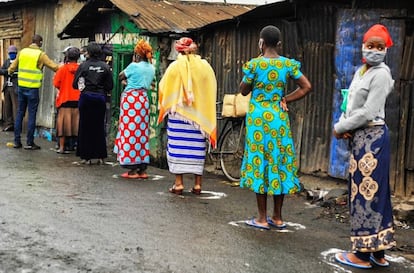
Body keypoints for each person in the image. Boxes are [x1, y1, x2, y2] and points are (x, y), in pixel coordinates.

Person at [333, 24, 396, 269]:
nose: (375, 50)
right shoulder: (362, 71)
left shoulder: (381, 73)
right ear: (363, 47)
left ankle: (361, 254)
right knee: (369, 192)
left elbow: (369, 111)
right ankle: (377, 252)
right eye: (371, 45)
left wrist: (340, 128)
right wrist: (345, 123)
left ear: (386, 49)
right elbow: (351, 103)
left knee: (367, 194)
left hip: (373, 139)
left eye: (380, 47)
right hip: (361, 138)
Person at [239, 25, 311, 230]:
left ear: (261, 42)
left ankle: (262, 218)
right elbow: (307, 87)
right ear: (279, 44)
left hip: (258, 121)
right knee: (278, 162)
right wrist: (285, 98)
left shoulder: (254, 65)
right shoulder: (287, 64)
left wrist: (252, 78)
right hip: (279, 119)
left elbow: (243, 91)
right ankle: (277, 217)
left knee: (259, 161)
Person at [158, 37, 217, 195]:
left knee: (178, 146)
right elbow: (211, 87)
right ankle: (198, 184)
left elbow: (164, 87)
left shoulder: (175, 67)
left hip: (179, 115)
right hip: (199, 117)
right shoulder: (205, 67)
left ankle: (178, 183)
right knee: (197, 147)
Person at [8, 34, 59, 150]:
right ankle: (29, 143)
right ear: (40, 42)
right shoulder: (40, 54)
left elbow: (11, 68)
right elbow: (54, 67)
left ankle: (17, 141)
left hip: (21, 87)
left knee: (20, 113)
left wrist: (11, 73)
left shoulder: (22, 52)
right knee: (31, 115)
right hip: (32, 89)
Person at [114, 39, 155, 179]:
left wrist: (127, 82)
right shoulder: (151, 68)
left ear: (137, 54)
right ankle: (142, 169)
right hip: (143, 100)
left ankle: (131, 169)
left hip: (131, 100)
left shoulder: (133, 66)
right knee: (141, 133)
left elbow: (120, 76)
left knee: (129, 132)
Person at [73, 42, 113, 165]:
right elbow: (110, 86)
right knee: (99, 126)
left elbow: (75, 84)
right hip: (100, 99)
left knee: (85, 126)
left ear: (89, 53)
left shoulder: (83, 66)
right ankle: (101, 155)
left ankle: (86, 156)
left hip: (86, 98)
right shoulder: (105, 67)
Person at [53, 47, 81, 154]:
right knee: (77, 125)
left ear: (67, 56)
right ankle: (76, 147)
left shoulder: (62, 69)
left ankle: (61, 147)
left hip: (65, 99)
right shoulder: (81, 68)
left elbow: (56, 83)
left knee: (63, 126)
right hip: (78, 100)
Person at [0, 45, 18, 132]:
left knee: (16, 107)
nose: (12, 55)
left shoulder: (18, 62)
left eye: (13, 53)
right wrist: (8, 71)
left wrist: (12, 73)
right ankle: (9, 124)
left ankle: (16, 124)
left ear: (16, 53)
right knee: (7, 107)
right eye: (10, 53)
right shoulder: (7, 62)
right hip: (7, 87)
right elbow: (1, 70)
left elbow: (19, 73)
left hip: (15, 87)